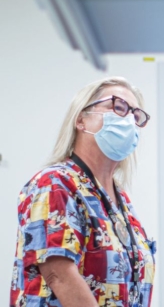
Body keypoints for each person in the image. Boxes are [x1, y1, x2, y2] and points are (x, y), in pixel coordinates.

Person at [10, 77, 156, 307]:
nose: (128, 120)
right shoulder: (54, 183)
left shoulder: (121, 201)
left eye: (135, 115)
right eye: (119, 107)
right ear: (81, 119)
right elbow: (59, 275)